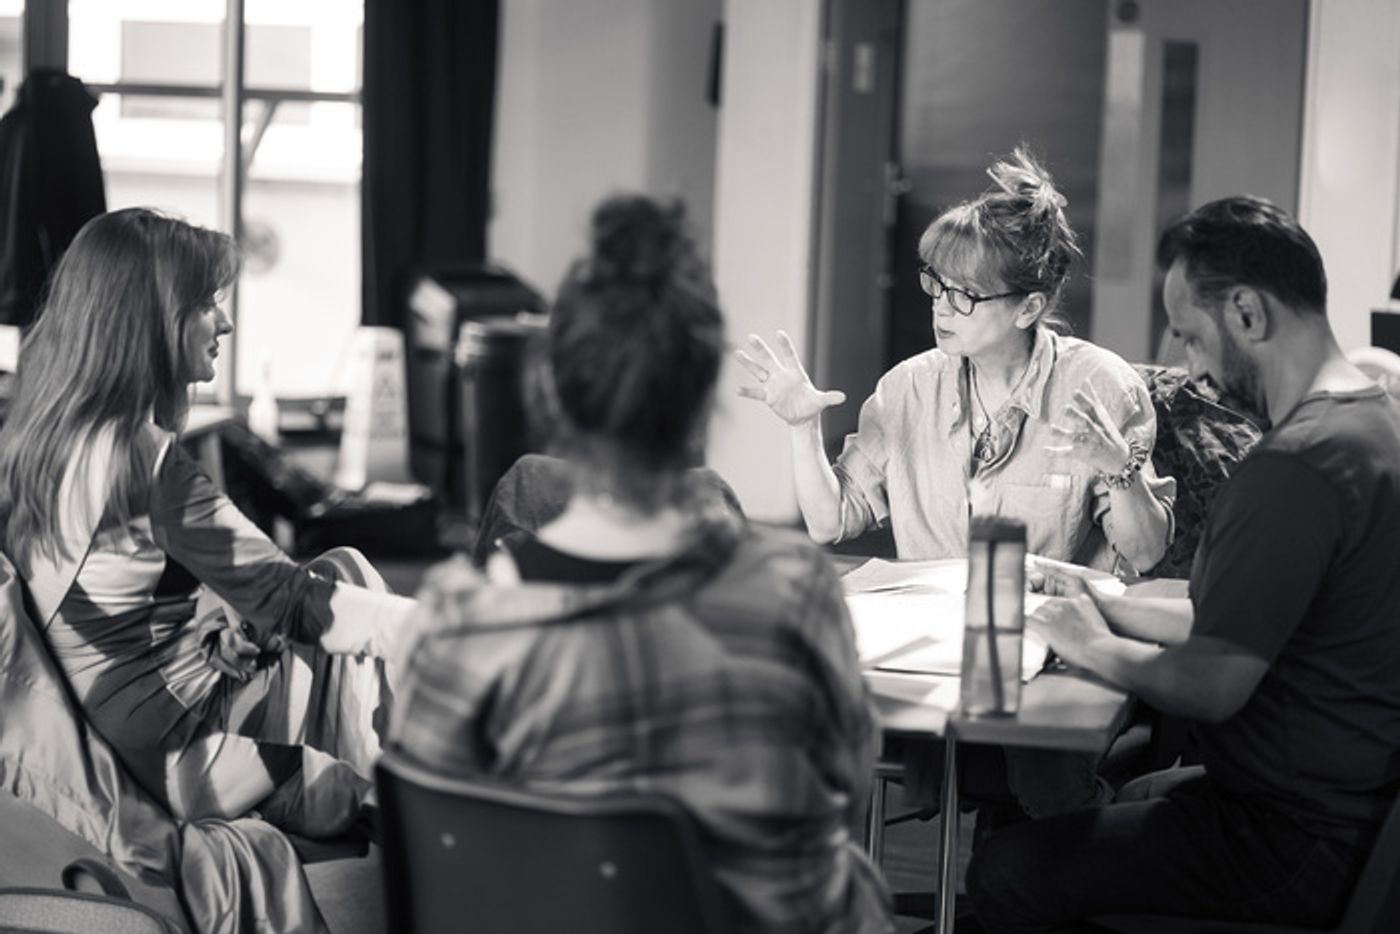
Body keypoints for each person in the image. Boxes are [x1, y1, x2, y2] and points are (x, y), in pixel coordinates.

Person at [389, 195, 894, 934]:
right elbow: (844, 791)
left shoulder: (454, 623)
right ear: (701, 401)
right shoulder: (794, 591)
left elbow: (436, 843)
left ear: (550, 389)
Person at [967, 195, 1400, 931]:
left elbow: (1210, 684)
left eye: (1192, 338)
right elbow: (1241, 616)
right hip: (1353, 806)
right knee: (1132, 797)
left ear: (1247, 313)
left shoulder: (1295, 467)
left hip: (1294, 835)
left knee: (1006, 870)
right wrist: (1105, 600)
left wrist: (1089, 644)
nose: (1188, 366)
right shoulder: (1375, 422)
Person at [0, 207, 416, 840]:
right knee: (347, 581)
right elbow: (293, 601)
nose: (223, 322)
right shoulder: (138, 460)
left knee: (331, 592)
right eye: (203, 304)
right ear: (147, 320)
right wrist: (453, 627)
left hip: (100, 734)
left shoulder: (42, 436)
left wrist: (207, 621)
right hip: (172, 753)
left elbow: (100, 599)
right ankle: (418, 812)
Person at [737, 146, 1174, 577]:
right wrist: (803, 429)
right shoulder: (906, 388)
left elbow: (1145, 555)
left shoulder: (1101, 386)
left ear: (1028, 308)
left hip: (1043, 616)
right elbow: (828, 522)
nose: (941, 308)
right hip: (929, 613)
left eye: (964, 295)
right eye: (938, 284)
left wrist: (1120, 470)